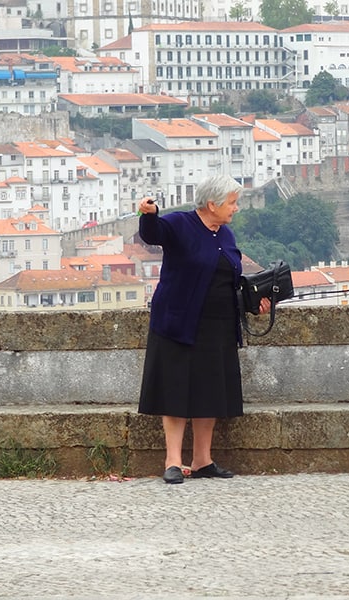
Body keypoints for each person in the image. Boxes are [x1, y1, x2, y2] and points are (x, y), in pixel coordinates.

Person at [137, 175, 271, 484]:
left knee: (209, 391)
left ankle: (202, 459)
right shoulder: (180, 224)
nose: (236, 208)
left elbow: (228, 280)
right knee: (176, 389)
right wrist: (148, 213)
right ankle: (173, 460)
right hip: (178, 322)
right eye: (232, 202)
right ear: (212, 204)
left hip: (218, 325)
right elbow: (153, 233)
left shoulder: (226, 236)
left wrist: (254, 303)